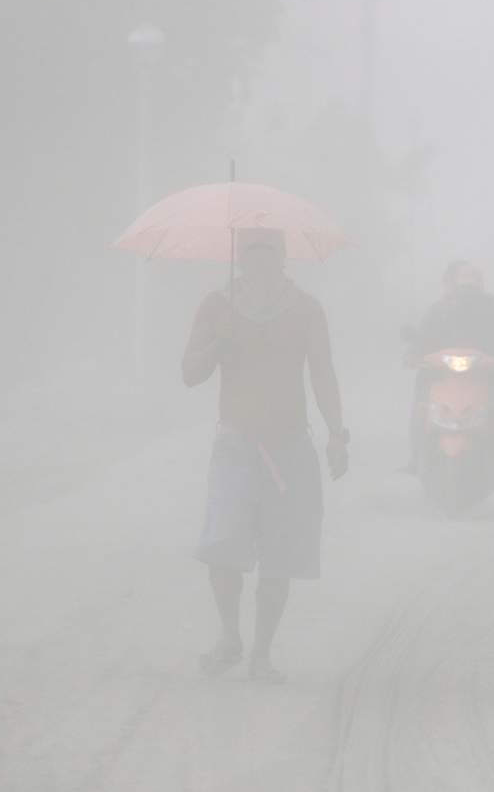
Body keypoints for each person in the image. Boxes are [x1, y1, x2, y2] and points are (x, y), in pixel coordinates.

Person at [181, 227, 348, 683]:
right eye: (250, 252)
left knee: (281, 557)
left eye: (268, 252)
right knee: (222, 548)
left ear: (283, 258)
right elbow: (189, 373)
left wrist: (337, 433)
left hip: (291, 446)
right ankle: (230, 636)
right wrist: (219, 343)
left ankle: (262, 654)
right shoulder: (217, 307)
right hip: (235, 445)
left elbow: (323, 373)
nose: (259, 261)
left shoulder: (306, 310)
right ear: (237, 258)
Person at [404, 259, 494, 475]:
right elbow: (423, 336)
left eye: (471, 286)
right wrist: (414, 353)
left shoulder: (492, 310)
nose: (466, 291)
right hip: (441, 374)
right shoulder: (438, 310)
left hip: (484, 374)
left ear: (479, 286)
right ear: (452, 285)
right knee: (421, 400)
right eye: (462, 286)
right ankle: (414, 457)